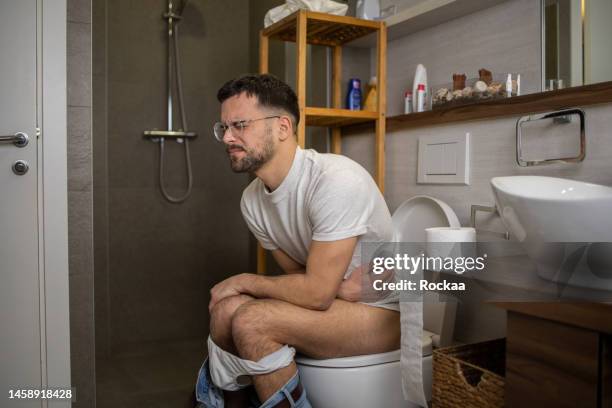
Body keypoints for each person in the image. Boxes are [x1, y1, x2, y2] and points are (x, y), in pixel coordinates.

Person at [194, 74, 399, 408]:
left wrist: (245, 281)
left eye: (240, 125)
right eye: (224, 128)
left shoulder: (335, 180)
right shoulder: (252, 201)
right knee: (224, 311)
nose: (227, 137)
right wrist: (335, 288)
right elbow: (301, 278)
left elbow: (315, 293)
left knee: (251, 319)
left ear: (283, 128)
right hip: (337, 300)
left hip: (383, 313)